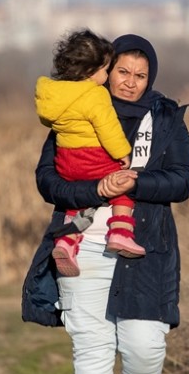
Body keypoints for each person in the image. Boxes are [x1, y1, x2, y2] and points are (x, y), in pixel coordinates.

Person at [22, 34, 189, 374]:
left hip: (144, 243)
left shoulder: (167, 119)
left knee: (144, 342)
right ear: (107, 69)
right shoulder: (74, 108)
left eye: (140, 75)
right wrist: (96, 190)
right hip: (81, 242)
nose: (131, 83)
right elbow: (48, 181)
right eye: (123, 72)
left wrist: (134, 183)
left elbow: (182, 181)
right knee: (91, 344)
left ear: (150, 77)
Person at [34, 29, 146, 278]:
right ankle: (121, 232)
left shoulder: (52, 94)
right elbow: (107, 128)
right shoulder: (95, 94)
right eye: (107, 70)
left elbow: (49, 123)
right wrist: (123, 154)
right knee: (122, 186)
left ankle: (67, 241)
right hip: (93, 158)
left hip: (66, 161)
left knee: (76, 204)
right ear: (90, 71)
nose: (106, 76)